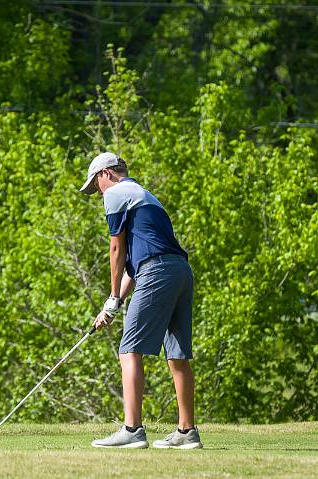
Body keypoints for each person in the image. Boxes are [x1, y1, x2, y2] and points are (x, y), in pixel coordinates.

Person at [79, 151, 202, 449]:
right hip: (180, 272)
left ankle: (132, 430)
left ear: (106, 174)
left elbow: (116, 250)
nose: (99, 194)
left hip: (157, 271)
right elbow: (137, 265)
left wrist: (110, 295)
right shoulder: (146, 197)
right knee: (177, 355)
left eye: (96, 186)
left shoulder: (117, 192)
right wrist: (113, 303)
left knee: (129, 348)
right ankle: (187, 432)